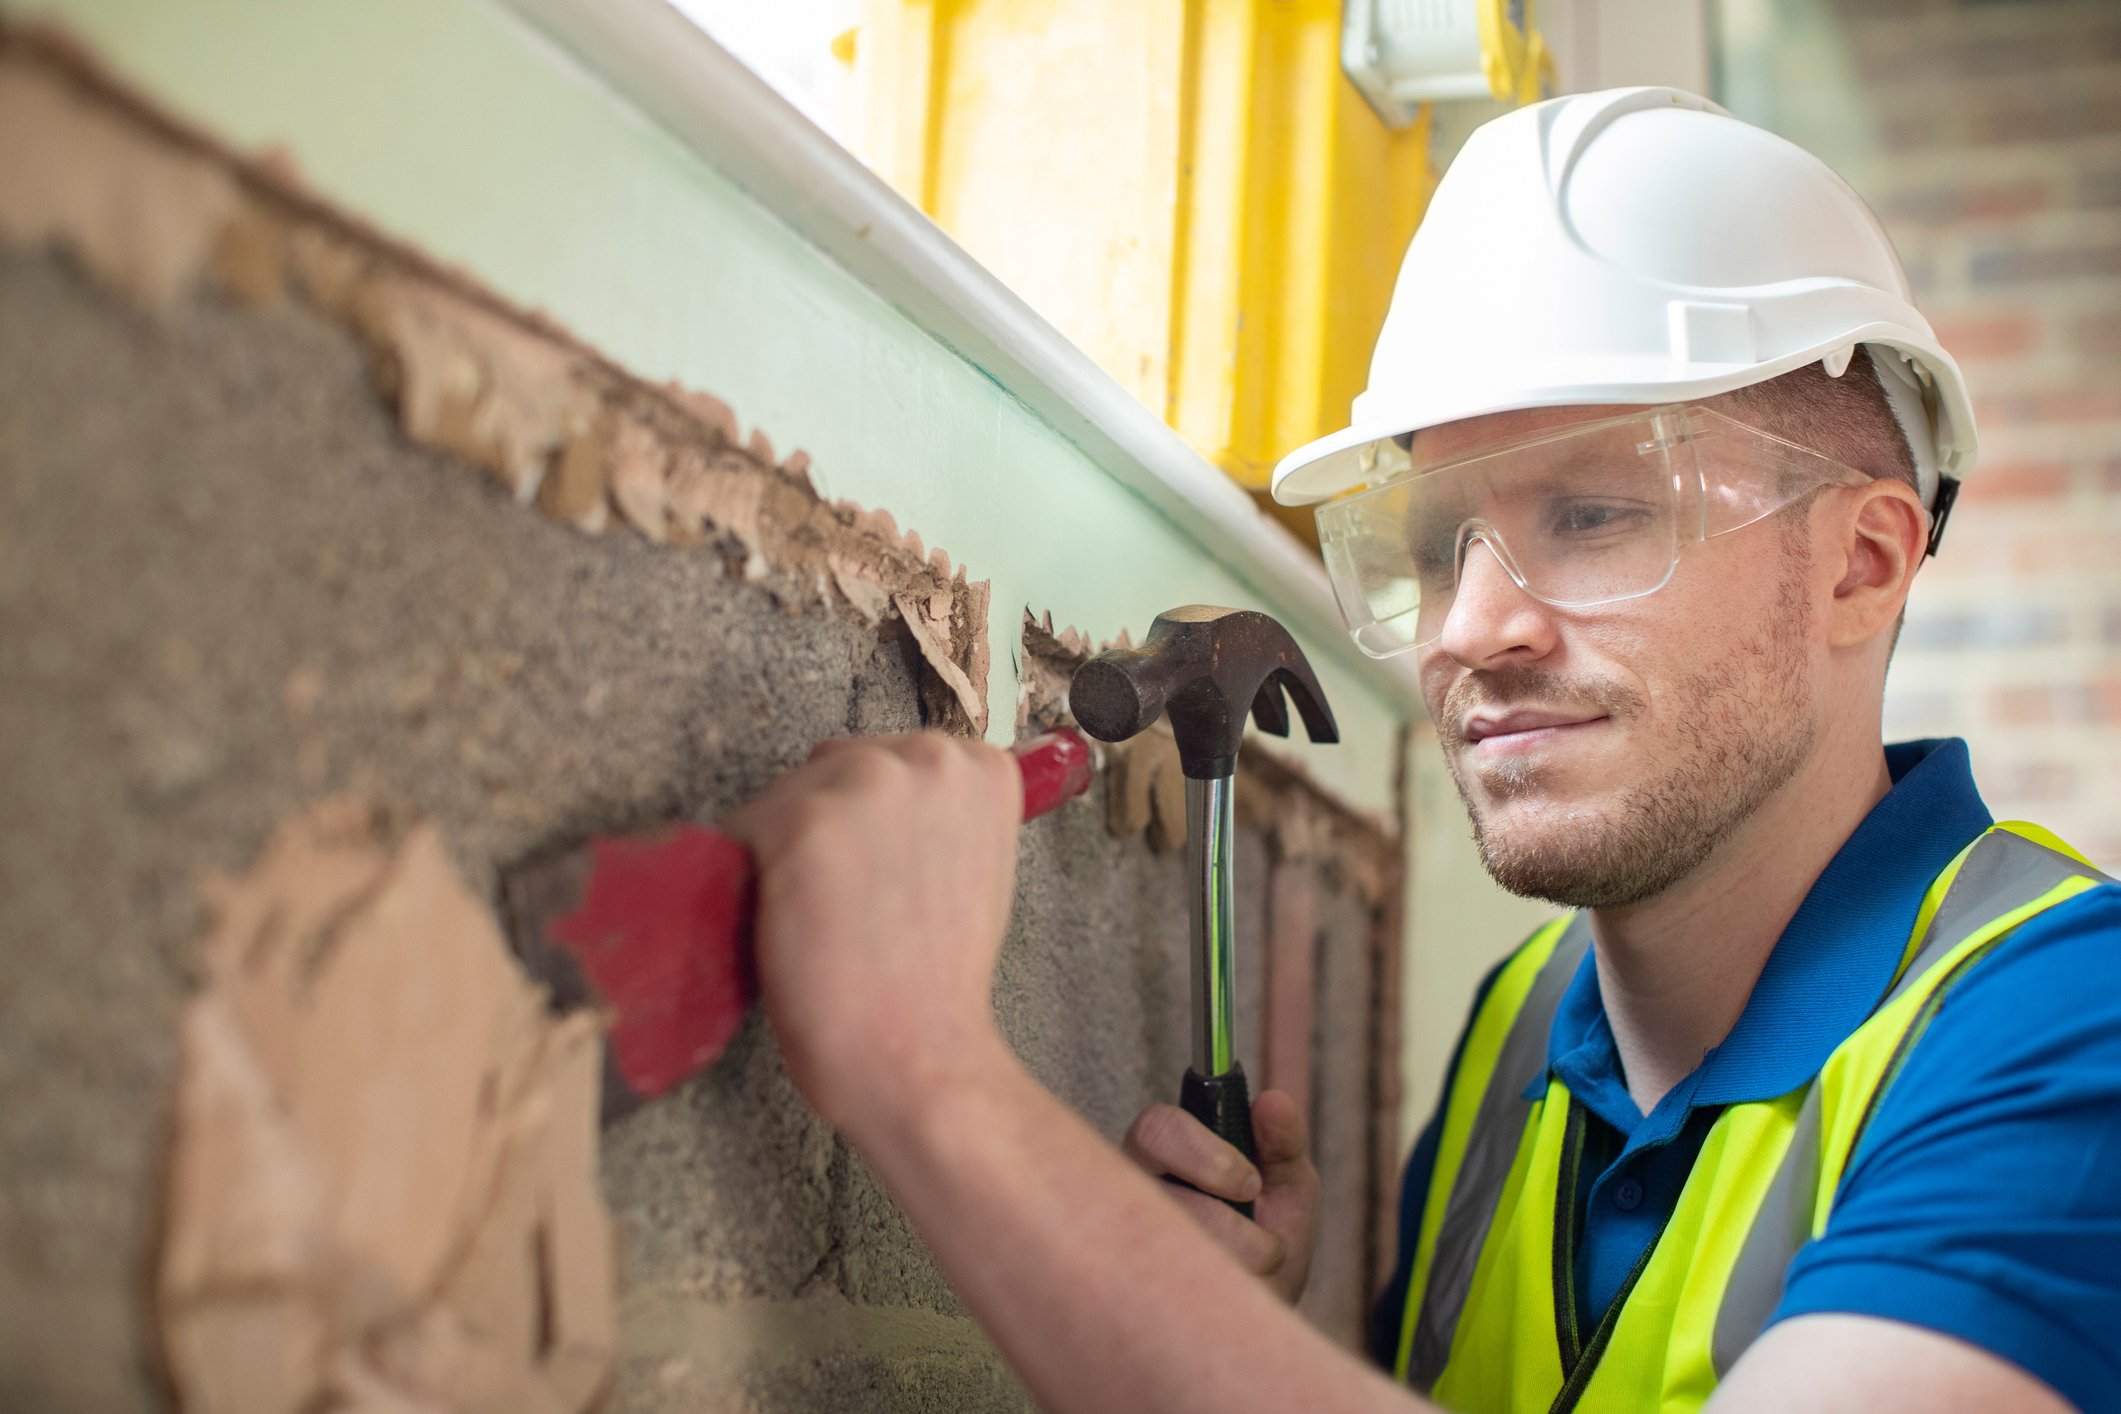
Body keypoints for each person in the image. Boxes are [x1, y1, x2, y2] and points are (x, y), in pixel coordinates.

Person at [726, 88, 2121, 1412]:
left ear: (1861, 566)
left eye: (1594, 515)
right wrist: (1230, 1330)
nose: (1472, 625)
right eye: (1441, 542)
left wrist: (924, 1072)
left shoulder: (2069, 1025)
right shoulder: (1525, 1028)